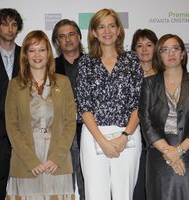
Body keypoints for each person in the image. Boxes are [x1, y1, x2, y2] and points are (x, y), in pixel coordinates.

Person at [76, 8, 143, 200]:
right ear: (94, 32)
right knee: (96, 195)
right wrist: (103, 141)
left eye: (111, 26)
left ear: (119, 30)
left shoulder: (131, 60)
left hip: (128, 135)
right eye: (101, 27)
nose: (107, 31)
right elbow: (84, 107)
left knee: (124, 194)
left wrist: (123, 137)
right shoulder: (86, 63)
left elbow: (138, 105)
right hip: (94, 135)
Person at [5, 30, 76, 200]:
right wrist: (31, 161)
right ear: (26, 55)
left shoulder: (63, 82)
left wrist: (57, 158)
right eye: (32, 50)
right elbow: (12, 126)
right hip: (25, 159)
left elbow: (70, 123)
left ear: (49, 53)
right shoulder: (14, 85)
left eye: (42, 49)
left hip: (57, 159)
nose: (37, 55)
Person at [138, 34, 189, 200]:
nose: (171, 53)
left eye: (175, 48)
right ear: (159, 56)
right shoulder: (149, 84)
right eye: (165, 50)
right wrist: (169, 152)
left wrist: (179, 150)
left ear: (183, 53)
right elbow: (146, 123)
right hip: (159, 155)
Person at [0, 8, 23, 200]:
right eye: (4, 23)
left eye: (14, 24)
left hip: (25, 140)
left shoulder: (29, 57)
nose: (9, 28)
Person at [52, 19, 85, 200]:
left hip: (90, 132)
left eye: (71, 34)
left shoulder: (93, 63)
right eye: (62, 36)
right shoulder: (50, 67)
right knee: (64, 188)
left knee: (90, 184)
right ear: (57, 42)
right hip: (61, 133)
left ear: (79, 36)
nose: (68, 39)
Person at [131, 28, 158, 200]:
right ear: (134, 50)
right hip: (133, 137)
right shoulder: (127, 75)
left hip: (158, 139)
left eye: (149, 45)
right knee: (137, 188)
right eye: (139, 46)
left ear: (156, 47)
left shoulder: (165, 74)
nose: (144, 49)